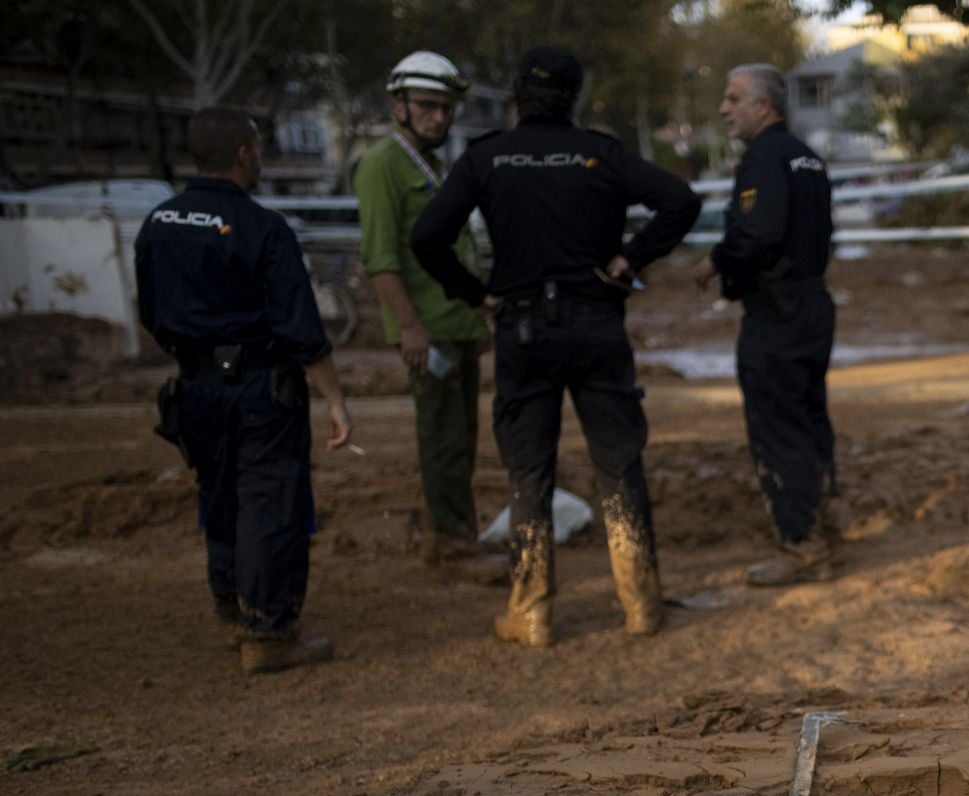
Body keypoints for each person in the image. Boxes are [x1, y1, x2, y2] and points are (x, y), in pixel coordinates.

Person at [411, 46, 700, 647]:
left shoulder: (487, 156)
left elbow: (426, 237)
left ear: (517, 96)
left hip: (521, 330)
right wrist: (631, 258)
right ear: (574, 98)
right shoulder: (601, 153)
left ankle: (532, 610)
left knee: (529, 471)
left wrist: (474, 293)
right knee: (618, 463)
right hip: (596, 323)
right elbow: (681, 201)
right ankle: (642, 602)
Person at [134, 106, 354, 675]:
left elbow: (153, 314)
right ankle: (270, 630)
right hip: (261, 388)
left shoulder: (157, 223)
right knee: (270, 503)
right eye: (257, 149)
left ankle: (232, 612)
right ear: (243, 154)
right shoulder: (264, 228)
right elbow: (302, 330)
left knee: (221, 496)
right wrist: (334, 398)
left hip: (195, 386)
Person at [354, 51, 502, 581]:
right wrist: (410, 326)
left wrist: (476, 314)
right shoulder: (380, 166)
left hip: (456, 324)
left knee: (461, 436)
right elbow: (381, 258)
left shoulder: (435, 165)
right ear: (398, 106)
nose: (438, 117)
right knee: (442, 438)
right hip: (429, 332)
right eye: (426, 106)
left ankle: (456, 535)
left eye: (445, 107)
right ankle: (455, 547)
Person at [693, 64, 839, 586]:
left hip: (776, 313)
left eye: (734, 98)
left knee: (778, 429)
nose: (724, 108)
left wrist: (717, 261)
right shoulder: (807, 156)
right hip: (812, 304)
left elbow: (756, 235)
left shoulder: (764, 157)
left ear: (764, 106)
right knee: (809, 417)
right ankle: (823, 526)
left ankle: (802, 545)